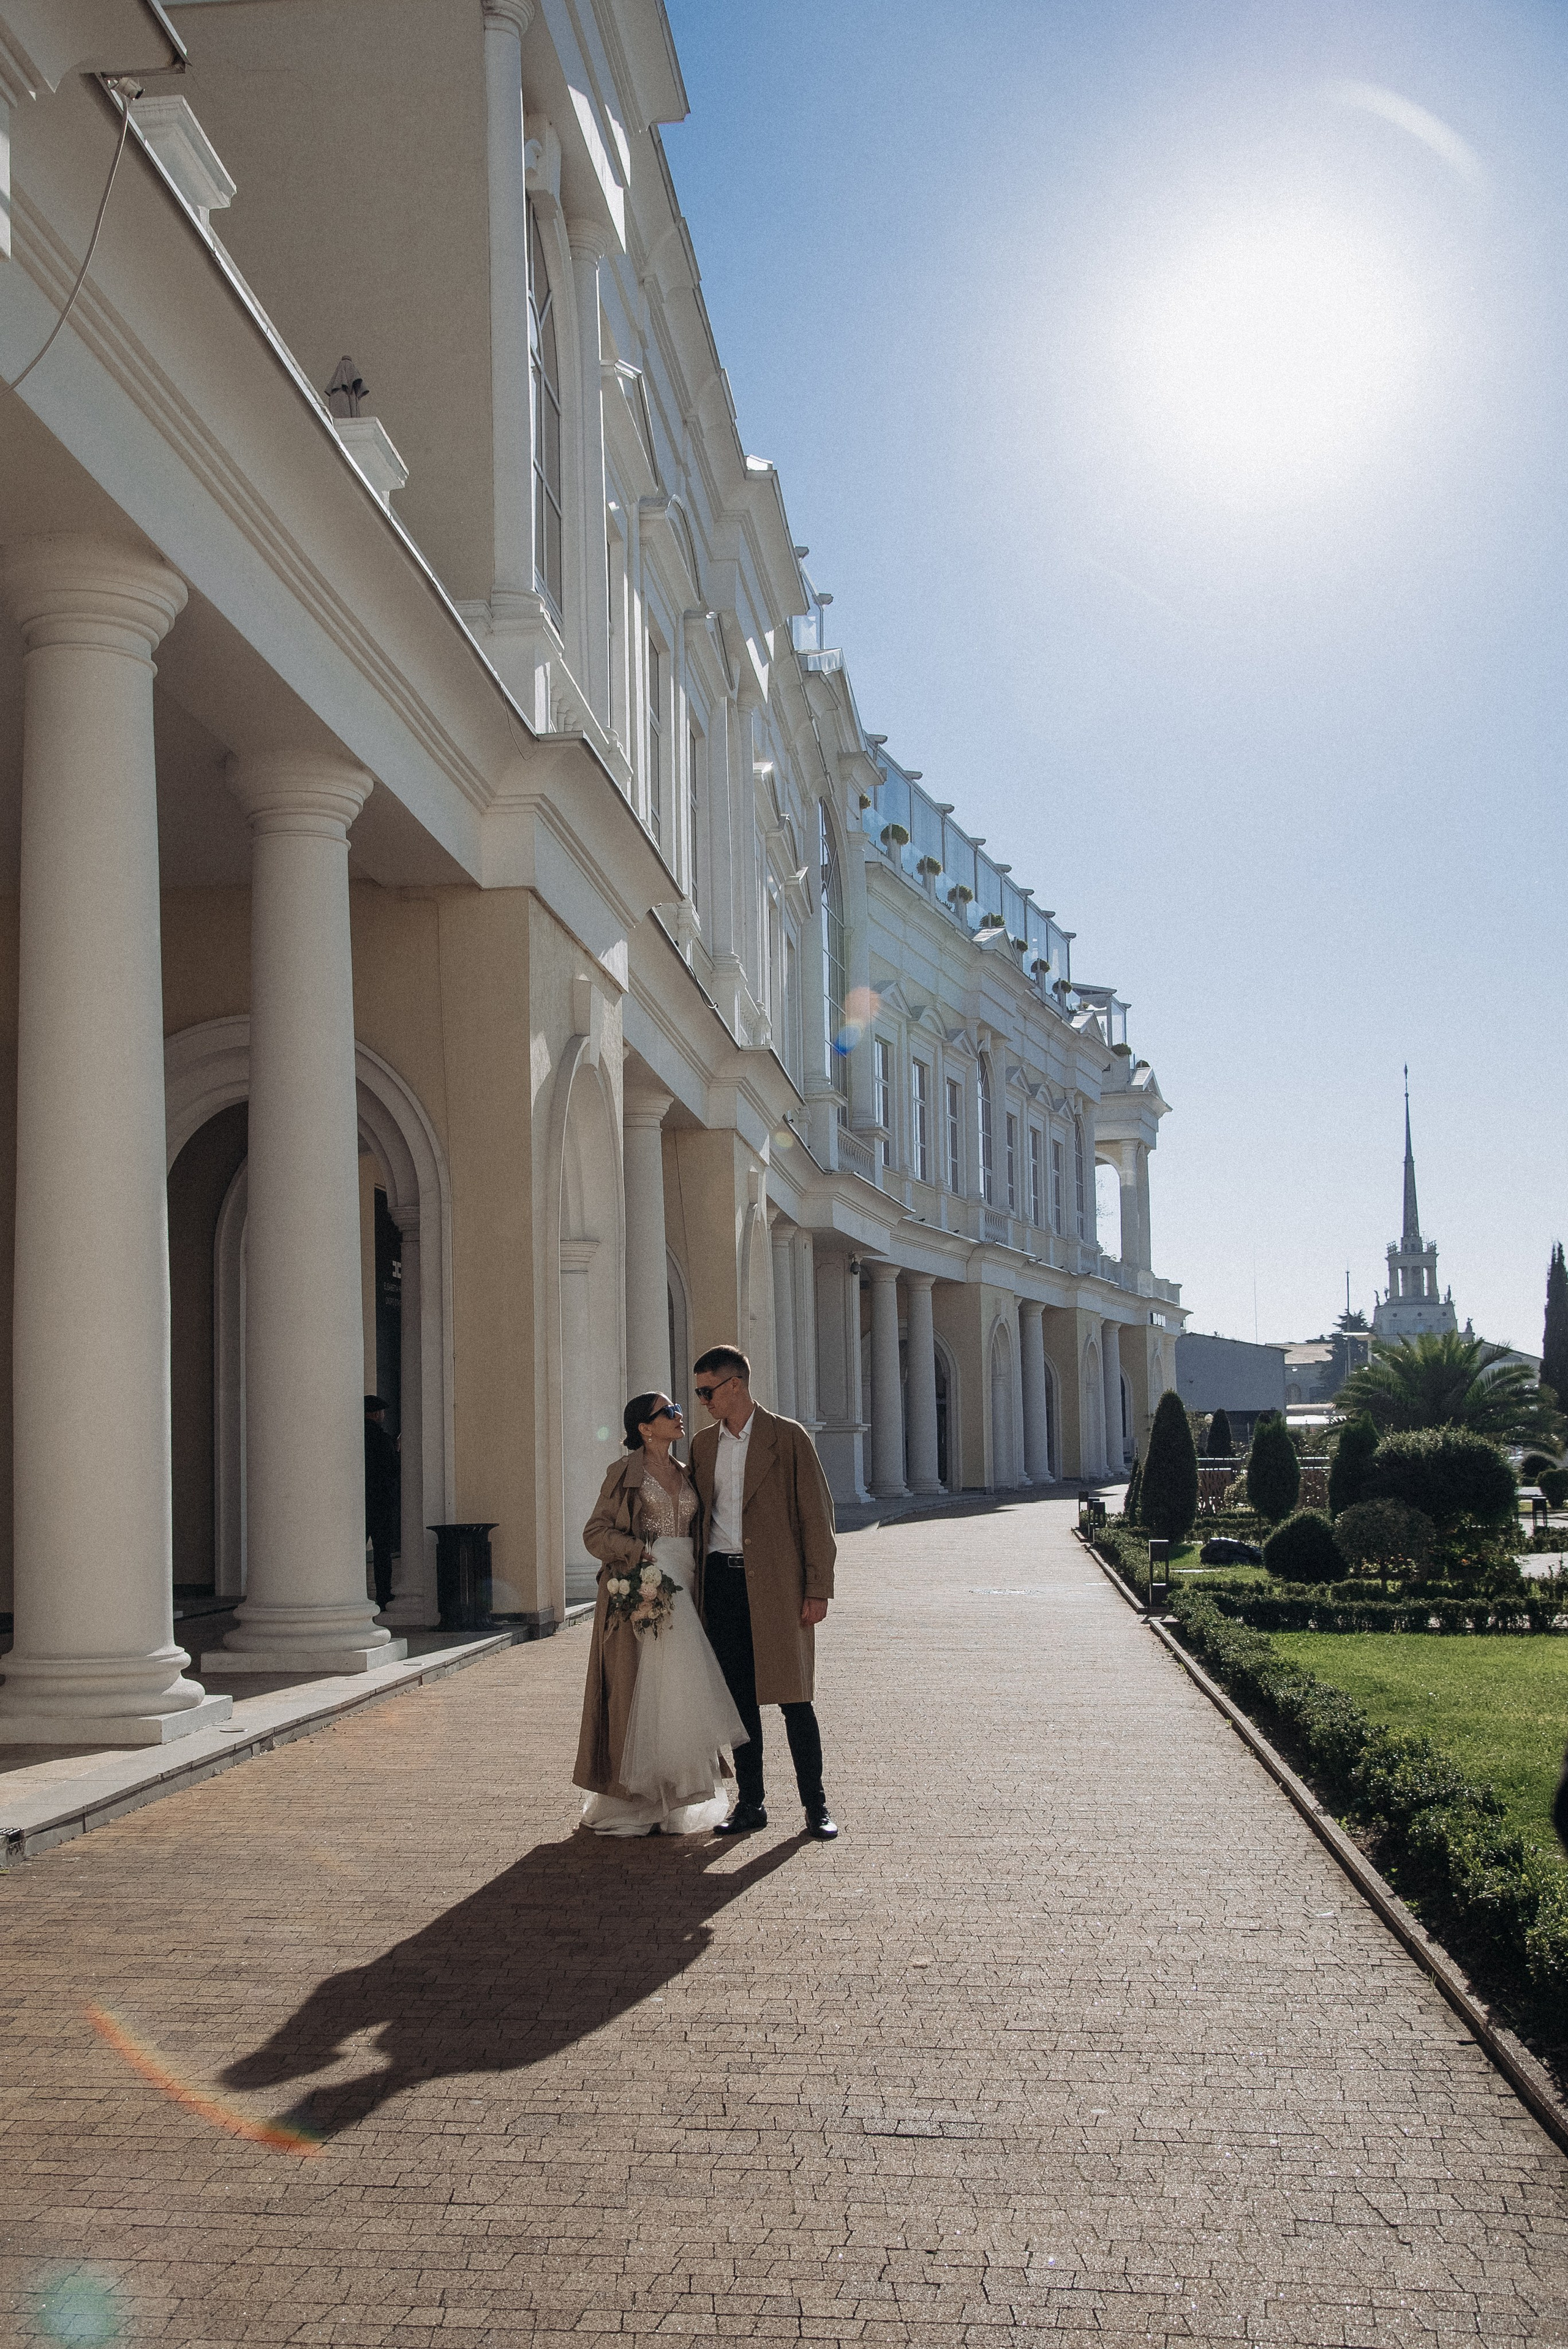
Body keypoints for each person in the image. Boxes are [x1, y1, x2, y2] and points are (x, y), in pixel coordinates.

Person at [574, 1391, 747, 1837]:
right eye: (668, 1411)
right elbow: (595, 1533)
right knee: (640, 1693)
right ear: (645, 1428)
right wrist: (638, 1554)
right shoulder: (623, 1473)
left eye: (677, 1408)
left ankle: (676, 1801)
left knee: (680, 1693)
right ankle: (637, 1801)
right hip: (643, 1588)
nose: (679, 1414)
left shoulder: (689, 1473)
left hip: (687, 1587)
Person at [690, 1345, 839, 1840]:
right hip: (723, 1583)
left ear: (735, 1385)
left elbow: (817, 1516)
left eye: (707, 1391)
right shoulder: (703, 1446)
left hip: (779, 1584)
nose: (702, 1401)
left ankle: (815, 1807)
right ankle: (751, 1804)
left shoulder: (788, 1437)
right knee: (739, 1701)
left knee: (795, 1698)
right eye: (698, 1393)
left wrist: (817, 1586)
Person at [363, 1394, 400, 1615]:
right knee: (382, 1552)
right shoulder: (380, 1437)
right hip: (381, 1502)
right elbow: (393, 1468)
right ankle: (383, 1594)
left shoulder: (354, 1435)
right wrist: (396, 1451)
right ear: (377, 1414)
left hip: (359, 1502)